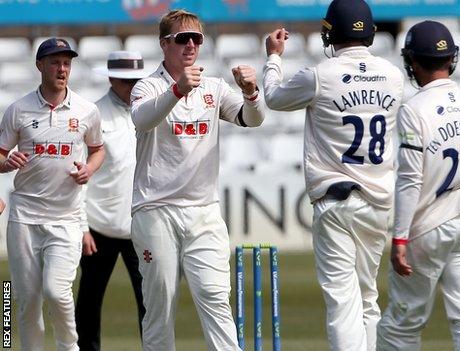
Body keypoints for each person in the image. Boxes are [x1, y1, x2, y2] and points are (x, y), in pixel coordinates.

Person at [263, 0, 403, 349]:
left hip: (337, 199)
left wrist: (273, 57)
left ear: (330, 32)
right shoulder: (393, 75)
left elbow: (273, 98)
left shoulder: (320, 74)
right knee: (368, 298)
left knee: (343, 301)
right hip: (378, 201)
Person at [129, 9, 266, 351]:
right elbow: (143, 120)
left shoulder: (214, 87)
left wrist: (251, 92)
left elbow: (253, 120)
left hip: (204, 211)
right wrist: (176, 90)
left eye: (197, 39)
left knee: (216, 299)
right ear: (164, 44)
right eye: (182, 38)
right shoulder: (148, 86)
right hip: (155, 209)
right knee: (160, 304)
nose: (191, 45)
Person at [376, 21, 460, 350]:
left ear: (412, 62)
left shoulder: (413, 110)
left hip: (427, 225)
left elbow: (410, 178)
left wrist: (399, 236)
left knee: (402, 324)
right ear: (452, 59)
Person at [0, 38, 104, 351]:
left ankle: (69, 347)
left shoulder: (87, 110)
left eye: (66, 63)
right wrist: (7, 163)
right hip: (25, 217)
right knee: (27, 300)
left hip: (66, 218)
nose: (62, 69)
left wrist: (89, 168)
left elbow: (98, 150)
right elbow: (0, 155)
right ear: (40, 65)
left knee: (57, 292)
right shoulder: (18, 110)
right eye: (55, 62)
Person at [74, 51, 150, 351]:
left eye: (136, 81)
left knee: (150, 302)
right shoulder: (94, 114)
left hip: (140, 225)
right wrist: (81, 226)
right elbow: (78, 175)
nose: (131, 87)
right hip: (99, 225)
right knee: (89, 302)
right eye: (124, 81)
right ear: (111, 79)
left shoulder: (150, 111)